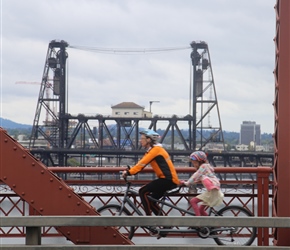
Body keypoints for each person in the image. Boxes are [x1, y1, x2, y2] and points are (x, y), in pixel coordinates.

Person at [122, 129, 179, 216]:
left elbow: (141, 165)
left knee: (142, 191)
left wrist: (128, 173)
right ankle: (165, 225)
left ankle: (148, 220)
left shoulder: (155, 150)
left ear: (149, 140)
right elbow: (140, 163)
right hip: (168, 180)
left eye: (142, 139)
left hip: (167, 180)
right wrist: (131, 169)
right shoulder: (153, 150)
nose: (140, 141)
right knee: (151, 201)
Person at [182, 151, 224, 216]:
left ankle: (198, 222)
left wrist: (187, 183)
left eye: (195, 163)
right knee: (201, 209)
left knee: (193, 201)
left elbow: (196, 175)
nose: (194, 165)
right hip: (214, 191)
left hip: (211, 192)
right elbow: (199, 177)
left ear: (200, 161)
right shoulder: (207, 167)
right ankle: (211, 224)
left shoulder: (203, 166)